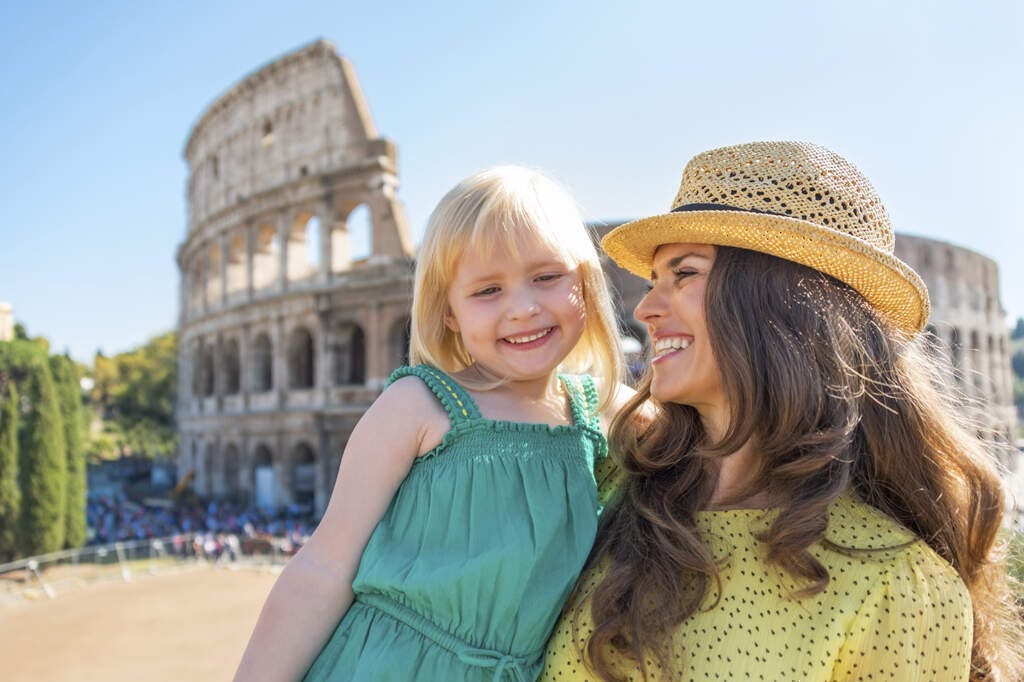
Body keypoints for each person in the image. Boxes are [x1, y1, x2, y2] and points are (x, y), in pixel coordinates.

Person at [541, 141, 1024, 681]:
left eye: (684, 274)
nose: (645, 308)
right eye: (655, 280)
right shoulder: (607, 485)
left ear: (782, 303)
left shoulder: (898, 583)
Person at [234, 166, 630, 681]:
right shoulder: (418, 405)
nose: (523, 308)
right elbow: (323, 569)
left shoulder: (605, 409)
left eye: (547, 277)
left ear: (586, 280)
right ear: (448, 313)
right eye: (488, 290)